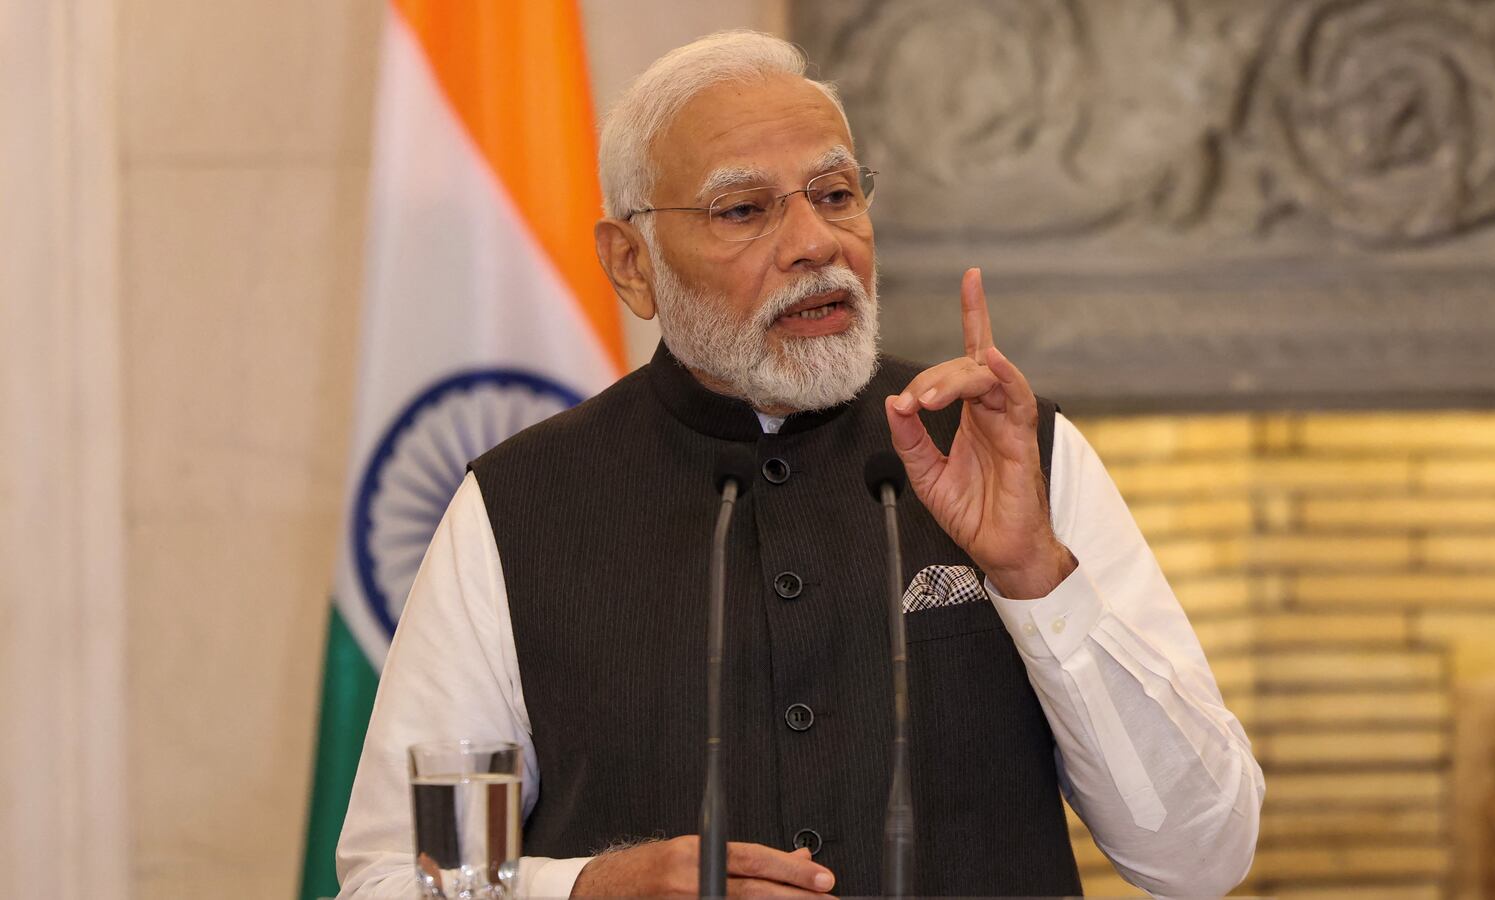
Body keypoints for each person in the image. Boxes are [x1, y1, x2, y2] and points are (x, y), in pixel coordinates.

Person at [337, 30, 1263, 899]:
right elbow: (395, 877)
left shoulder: (1013, 450)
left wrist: (1037, 576)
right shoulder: (520, 507)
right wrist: (584, 887)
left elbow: (1200, 859)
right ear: (632, 265)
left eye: (835, 194)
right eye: (744, 210)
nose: (817, 243)